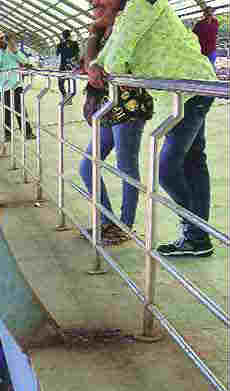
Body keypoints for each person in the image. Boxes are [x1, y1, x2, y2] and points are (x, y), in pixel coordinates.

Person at [89, 0, 219, 257]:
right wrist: (96, 62)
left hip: (189, 91)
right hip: (183, 93)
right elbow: (110, 52)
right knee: (193, 164)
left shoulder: (142, 3)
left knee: (168, 169)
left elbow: (116, 60)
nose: (95, 2)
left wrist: (101, 61)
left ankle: (196, 231)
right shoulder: (127, 13)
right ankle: (198, 238)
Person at [79, 7, 153, 246]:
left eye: (100, 2)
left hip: (129, 106)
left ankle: (124, 226)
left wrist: (94, 36)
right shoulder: (102, 32)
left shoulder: (124, 23)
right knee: (87, 166)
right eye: (92, 3)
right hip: (108, 106)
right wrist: (93, 33)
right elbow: (87, 65)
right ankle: (107, 221)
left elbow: (107, 66)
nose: (95, 5)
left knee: (125, 166)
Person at [0, 31, 35, 142]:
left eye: (4, 39)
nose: (3, 41)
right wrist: (1, 51)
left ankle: (27, 132)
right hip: (3, 87)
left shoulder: (12, 52)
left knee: (20, 109)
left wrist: (15, 50)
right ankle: (7, 134)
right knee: (7, 110)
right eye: (0, 39)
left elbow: (24, 61)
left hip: (16, 85)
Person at [56, 29, 80, 101]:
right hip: (72, 66)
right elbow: (77, 55)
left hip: (63, 65)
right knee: (72, 82)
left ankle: (65, 96)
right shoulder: (75, 43)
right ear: (70, 36)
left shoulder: (59, 45)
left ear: (63, 36)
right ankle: (70, 97)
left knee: (60, 83)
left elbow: (57, 54)